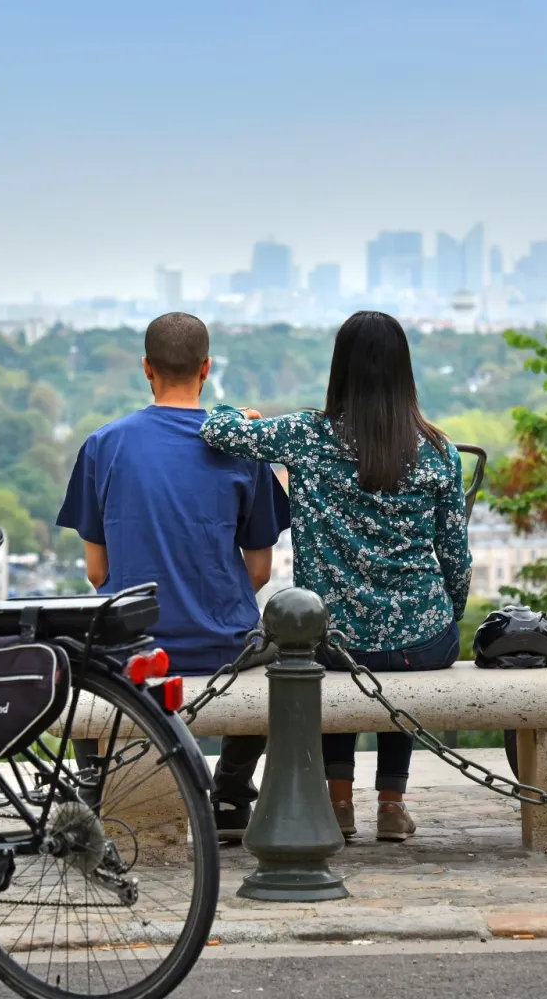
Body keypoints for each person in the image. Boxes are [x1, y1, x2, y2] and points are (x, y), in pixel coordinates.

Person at [200, 310, 471, 842]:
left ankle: (339, 802)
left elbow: (216, 429)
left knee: (332, 646)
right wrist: (446, 619)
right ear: (405, 372)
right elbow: (456, 560)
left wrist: (242, 412)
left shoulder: (307, 436)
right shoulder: (439, 452)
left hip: (331, 640)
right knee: (400, 663)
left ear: (339, 368)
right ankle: (392, 804)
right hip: (424, 639)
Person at [57, 312, 290, 840]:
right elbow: (259, 570)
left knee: (76, 651)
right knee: (283, 646)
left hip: (131, 651)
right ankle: (230, 792)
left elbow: (98, 572)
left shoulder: (104, 445)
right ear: (206, 368)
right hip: (221, 643)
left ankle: (94, 786)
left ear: (146, 369)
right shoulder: (241, 447)